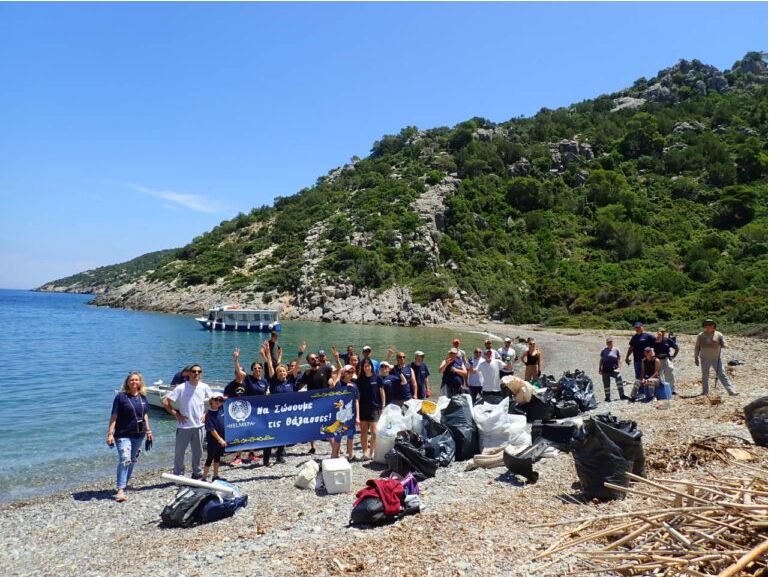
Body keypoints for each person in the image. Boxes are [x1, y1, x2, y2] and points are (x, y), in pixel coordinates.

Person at [107, 372, 153, 502]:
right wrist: (110, 433)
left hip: (139, 434)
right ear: (127, 382)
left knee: (132, 460)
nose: (134, 382)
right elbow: (114, 416)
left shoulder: (143, 397)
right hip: (122, 434)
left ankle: (124, 484)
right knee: (125, 459)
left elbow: (145, 415)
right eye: (131, 380)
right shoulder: (121, 397)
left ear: (140, 382)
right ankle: (120, 490)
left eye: (136, 380)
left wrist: (149, 431)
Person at [163, 363, 214, 479]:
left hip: (199, 426)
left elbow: (213, 401)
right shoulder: (181, 387)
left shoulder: (204, 387)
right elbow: (166, 402)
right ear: (189, 374)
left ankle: (196, 472)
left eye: (199, 371)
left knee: (198, 452)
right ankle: (178, 475)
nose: (196, 373)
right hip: (184, 426)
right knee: (179, 453)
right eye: (194, 371)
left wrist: (206, 414)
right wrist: (176, 414)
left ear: (201, 373)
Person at [297, 352, 332, 454]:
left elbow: (336, 373)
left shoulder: (325, 369)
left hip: (325, 402)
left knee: (328, 424)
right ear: (308, 362)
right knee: (312, 424)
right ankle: (312, 447)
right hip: (312, 403)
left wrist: (331, 379)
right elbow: (299, 386)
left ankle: (333, 446)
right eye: (312, 359)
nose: (316, 359)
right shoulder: (307, 373)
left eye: (316, 357)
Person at [694, 319, 738, 396]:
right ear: (705, 326)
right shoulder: (700, 335)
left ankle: (731, 391)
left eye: (710, 325)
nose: (709, 326)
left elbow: (725, 344)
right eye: (707, 325)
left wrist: (723, 344)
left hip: (716, 359)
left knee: (722, 374)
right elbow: (697, 347)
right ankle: (705, 392)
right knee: (705, 375)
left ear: (714, 326)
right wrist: (696, 358)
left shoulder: (719, 334)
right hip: (704, 358)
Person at [357, 358, 386, 460]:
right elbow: (357, 395)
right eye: (365, 366)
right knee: (363, 432)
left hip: (374, 407)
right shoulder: (360, 379)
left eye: (369, 366)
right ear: (363, 368)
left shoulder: (377, 378)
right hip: (363, 408)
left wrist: (383, 406)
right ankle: (365, 451)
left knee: (374, 432)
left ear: (372, 367)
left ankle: (372, 451)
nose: (367, 368)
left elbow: (382, 392)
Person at [330, 364, 360, 460]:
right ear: (344, 373)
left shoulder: (354, 386)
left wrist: (357, 417)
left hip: (351, 414)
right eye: (348, 372)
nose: (351, 374)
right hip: (340, 415)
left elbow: (356, 401)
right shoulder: (339, 384)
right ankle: (334, 455)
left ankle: (350, 455)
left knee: (351, 435)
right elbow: (335, 397)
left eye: (352, 372)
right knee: (338, 435)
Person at [203, 393, 227, 481]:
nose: (218, 402)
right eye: (216, 399)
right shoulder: (208, 414)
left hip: (222, 440)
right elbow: (211, 429)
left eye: (220, 400)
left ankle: (215, 475)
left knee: (218, 457)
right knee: (210, 458)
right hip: (213, 440)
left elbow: (230, 400)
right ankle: (204, 477)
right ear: (211, 401)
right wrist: (220, 439)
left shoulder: (222, 409)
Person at [599, 337, 626, 402]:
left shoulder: (616, 350)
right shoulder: (603, 350)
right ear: (606, 343)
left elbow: (619, 359)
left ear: (613, 342)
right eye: (608, 342)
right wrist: (600, 368)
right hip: (605, 369)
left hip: (615, 368)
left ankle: (622, 395)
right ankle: (607, 397)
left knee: (619, 380)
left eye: (611, 342)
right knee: (606, 383)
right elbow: (601, 360)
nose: (609, 343)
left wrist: (619, 368)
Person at [654, 328, 679, 394]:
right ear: (658, 332)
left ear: (665, 332)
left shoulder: (668, 340)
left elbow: (677, 348)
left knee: (670, 374)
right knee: (658, 375)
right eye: (660, 332)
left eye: (663, 332)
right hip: (657, 359)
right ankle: (660, 389)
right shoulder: (654, 340)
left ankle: (672, 390)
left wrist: (673, 356)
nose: (662, 333)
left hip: (666, 359)